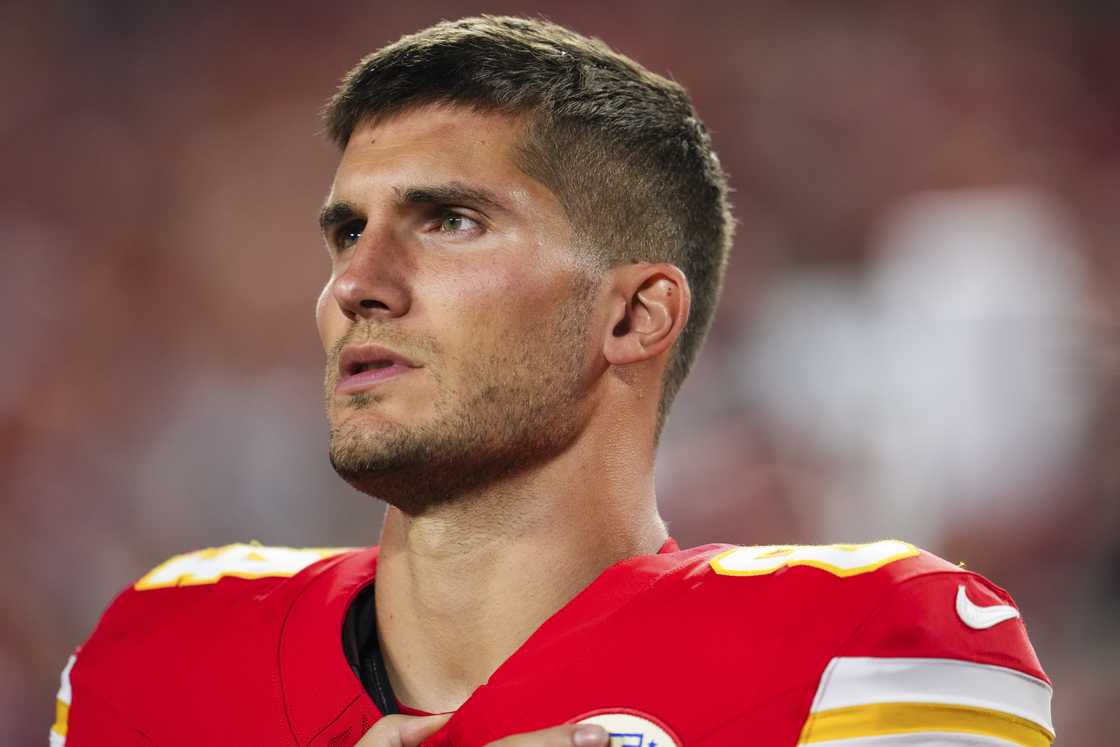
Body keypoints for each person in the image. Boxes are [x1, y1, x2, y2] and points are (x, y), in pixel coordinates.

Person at [50, 16, 1053, 747]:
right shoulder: (165, 645)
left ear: (631, 315)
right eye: (349, 233)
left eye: (449, 223)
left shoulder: (858, 649)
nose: (356, 285)